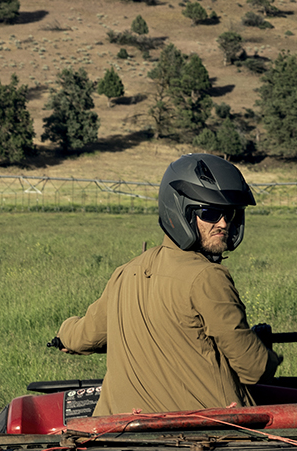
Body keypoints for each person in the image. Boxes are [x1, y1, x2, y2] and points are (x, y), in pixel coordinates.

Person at [55, 153, 278, 417]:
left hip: (120, 431)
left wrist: (63, 335)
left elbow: (84, 336)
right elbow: (254, 368)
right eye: (210, 213)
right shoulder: (208, 277)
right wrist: (263, 347)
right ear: (179, 211)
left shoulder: (125, 274)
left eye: (230, 214)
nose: (223, 224)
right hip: (210, 433)